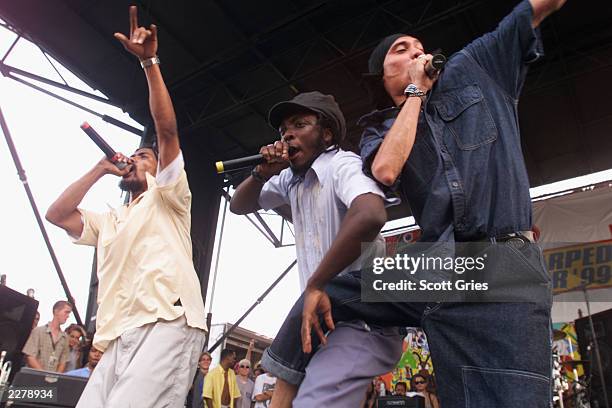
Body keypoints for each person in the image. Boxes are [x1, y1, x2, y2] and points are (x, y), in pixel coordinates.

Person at [257, 1, 567, 407]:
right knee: (323, 289)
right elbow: (386, 170)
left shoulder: (475, 66)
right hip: (438, 265)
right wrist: (415, 94)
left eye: (420, 46)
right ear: (384, 77)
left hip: (503, 265)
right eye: (400, 49)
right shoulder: (379, 128)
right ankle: (280, 397)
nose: (417, 51)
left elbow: (538, 8)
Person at [45, 6, 206, 407]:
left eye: (145, 157)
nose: (136, 159)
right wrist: (99, 168)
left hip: (168, 322)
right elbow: (58, 215)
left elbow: (166, 131)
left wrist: (149, 62)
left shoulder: (169, 197)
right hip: (120, 334)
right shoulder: (111, 219)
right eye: (133, 155)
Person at [230, 91, 404, 408]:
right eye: (283, 130)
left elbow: (371, 214)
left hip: (362, 319)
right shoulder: (288, 180)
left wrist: (317, 282)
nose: (288, 135)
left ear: (325, 134)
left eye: (299, 125)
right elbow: (238, 205)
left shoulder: (342, 164)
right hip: (322, 321)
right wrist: (261, 173)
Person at [22, 300, 72, 372]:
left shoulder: (65, 338)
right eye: (66, 312)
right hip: (33, 377)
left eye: (69, 313)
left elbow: (63, 362)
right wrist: (44, 375)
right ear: (56, 311)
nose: (68, 316)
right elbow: (30, 357)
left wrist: (55, 377)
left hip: (52, 379)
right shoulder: (38, 331)